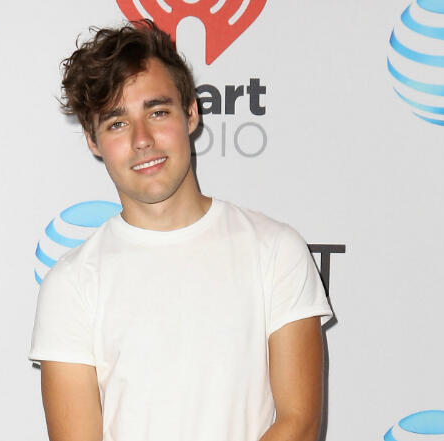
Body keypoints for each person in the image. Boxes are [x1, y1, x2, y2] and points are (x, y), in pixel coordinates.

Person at [29, 19, 332, 441]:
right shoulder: (72, 283)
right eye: (117, 123)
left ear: (191, 113)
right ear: (93, 141)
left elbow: (298, 423)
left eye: (157, 112)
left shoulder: (275, 250)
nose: (142, 139)